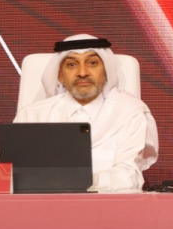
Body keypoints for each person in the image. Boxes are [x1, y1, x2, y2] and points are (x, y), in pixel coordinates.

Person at [10, 34, 158, 192]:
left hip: (110, 209)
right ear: (60, 75)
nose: (82, 72)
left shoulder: (130, 112)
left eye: (92, 63)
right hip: (42, 209)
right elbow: (8, 176)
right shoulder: (33, 116)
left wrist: (82, 181)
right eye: (72, 64)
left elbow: (130, 177)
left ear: (106, 70)